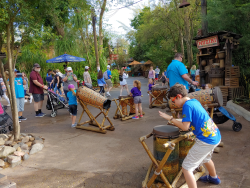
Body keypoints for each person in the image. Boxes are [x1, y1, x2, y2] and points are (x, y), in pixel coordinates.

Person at [159, 84, 221, 188]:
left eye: (173, 101)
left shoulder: (186, 106)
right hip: (215, 135)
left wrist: (170, 118)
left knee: (187, 168)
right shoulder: (194, 101)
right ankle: (213, 178)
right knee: (206, 158)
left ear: (179, 96)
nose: (173, 104)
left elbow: (185, 127)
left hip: (206, 140)